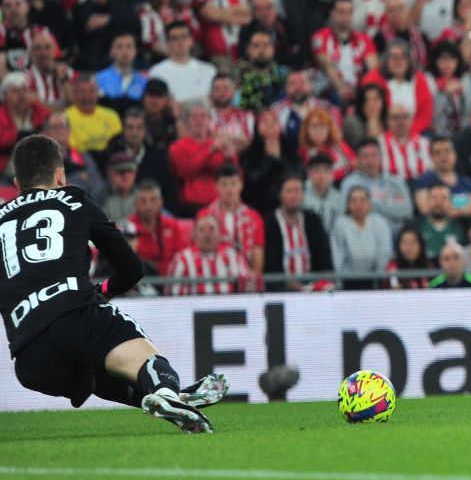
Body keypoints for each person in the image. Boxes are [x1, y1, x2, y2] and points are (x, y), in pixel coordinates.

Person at [0, 134, 226, 433]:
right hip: (75, 312)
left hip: (29, 354)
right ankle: (168, 393)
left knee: (93, 374)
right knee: (146, 357)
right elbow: (131, 268)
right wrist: (101, 292)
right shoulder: (73, 198)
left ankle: (166, 395)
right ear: (59, 174)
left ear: (17, 182)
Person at [264, 173, 332, 292]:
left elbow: (324, 255)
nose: (294, 196)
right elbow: (270, 264)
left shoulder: (312, 220)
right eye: (289, 191)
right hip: (281, 288)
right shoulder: (271, 223)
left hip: (312, 286)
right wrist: (294, 285)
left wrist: (317, 282)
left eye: (297, 191)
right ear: (280, 195)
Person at [330, 185, 394, 290]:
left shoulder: (380, 222)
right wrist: (339, 283)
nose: (358, 205)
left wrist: (378, 279)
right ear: (348, 205)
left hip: (374, 278)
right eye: (354, 201)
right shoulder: (340, 224)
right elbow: (338, 256)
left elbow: (384, 252)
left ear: (369, 204)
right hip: (348, 279)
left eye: (362, 200)